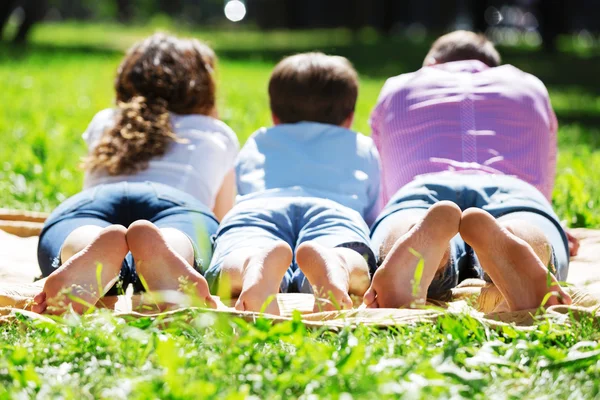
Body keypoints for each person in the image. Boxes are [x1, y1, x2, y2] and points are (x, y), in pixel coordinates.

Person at [364, 31, 572, 311]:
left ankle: (415, 234)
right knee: (525, 219)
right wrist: (544, 220)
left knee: (408, 219)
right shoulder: (530, 86)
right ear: (492, 64)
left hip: (423, 186)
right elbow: (544, 179)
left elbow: (384, 175)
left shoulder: (397, 87)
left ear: (432, 63)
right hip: (512, 187)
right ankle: (521, 238)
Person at [34, 34, 239, 314]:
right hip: (176, 202)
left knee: (85, 232)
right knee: (181, 235)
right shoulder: (214, 133)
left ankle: (86, 251)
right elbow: (223, 214)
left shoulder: (106, 120)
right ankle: (169, 256)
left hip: (94, 200)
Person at [205, 52, 381, 314]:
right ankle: (337, 263)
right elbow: (372, 211)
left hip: (259, 207)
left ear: (275, 116)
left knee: (243, 247)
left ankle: (251, 263)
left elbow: (237, 190)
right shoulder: (361, 146)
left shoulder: (259, 140)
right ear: (349, 118)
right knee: (349, 251)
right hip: (334, 209)